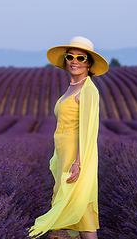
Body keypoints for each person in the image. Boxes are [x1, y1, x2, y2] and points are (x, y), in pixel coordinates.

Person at [29, 36, 109, 239]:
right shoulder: (72, 88)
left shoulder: (88, 90)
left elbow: (88, 131)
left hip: (77, 158)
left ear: (89, 63)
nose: (75, 61)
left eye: (81, 57)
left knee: (81, 208)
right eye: (70, 56)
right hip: (65, 156)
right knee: (81, 212)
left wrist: (78, 163)